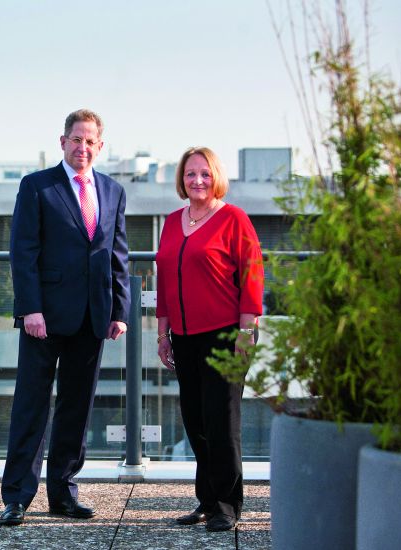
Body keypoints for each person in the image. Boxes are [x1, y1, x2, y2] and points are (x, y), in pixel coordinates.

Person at [0, 109, 130, 526]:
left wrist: (120, 310)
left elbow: (117, 254)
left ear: (100, 146)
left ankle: (63, 493)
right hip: (44, 317)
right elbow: (23, 251)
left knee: (76, 409)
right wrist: (30, 308)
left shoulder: (113, 191)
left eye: (90, 141)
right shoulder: (37, 186)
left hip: (93, 316)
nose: (83, 147)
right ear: (63, 142)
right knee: (31, 407)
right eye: (76, 139)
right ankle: (17, 497)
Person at [155, 146, 264, 532]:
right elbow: (164, 281)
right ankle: (207, 500)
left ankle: (228, 504)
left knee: (222, 422)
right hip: (183, 337)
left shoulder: (234, 218)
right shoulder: (173, 221)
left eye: (204, 173)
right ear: (181, 180)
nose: (197, 180)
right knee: (195, 420)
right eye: (190, 174)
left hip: (226, 334)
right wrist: (163, 333)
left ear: (216, 177)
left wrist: (246, 332)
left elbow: (252, 275)